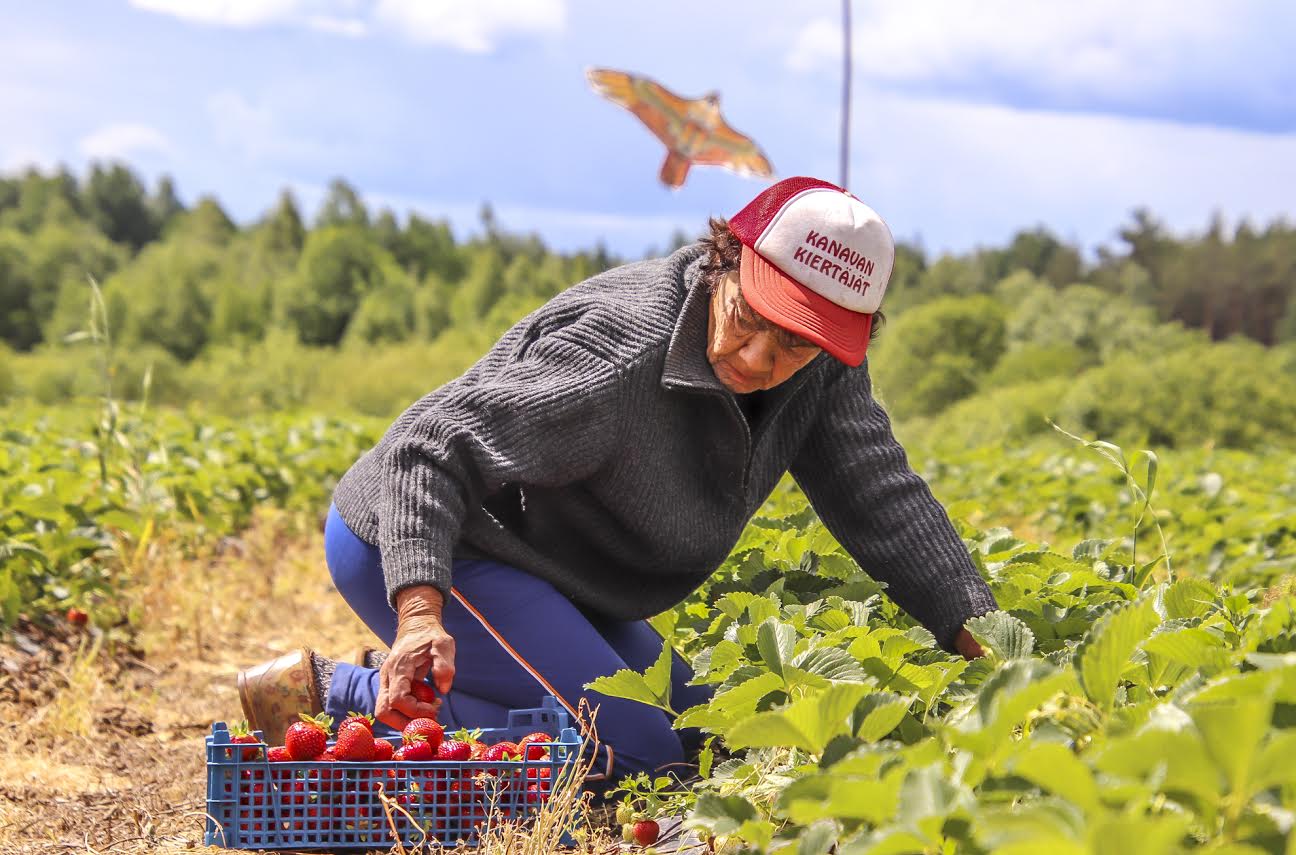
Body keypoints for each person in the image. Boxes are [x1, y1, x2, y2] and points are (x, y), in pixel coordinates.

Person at [237, 176, 997, 780]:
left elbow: (886, 502)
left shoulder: (818, 378)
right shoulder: (620, 353)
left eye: (795, 345)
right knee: (636, 751)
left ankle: (413, 695)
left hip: (549, 567)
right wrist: (420, 614)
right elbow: (429, 449)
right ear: (725, 260)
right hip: (433, 534)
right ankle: (336, 697)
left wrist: (999, 657)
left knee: (707, 734)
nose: (760, 360)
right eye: (750, 316)